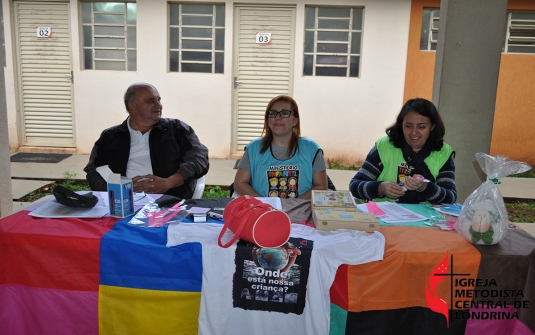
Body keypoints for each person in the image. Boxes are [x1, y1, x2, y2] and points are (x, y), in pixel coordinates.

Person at [84, 82, 209, 199]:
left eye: (159, 100)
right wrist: (118, 189)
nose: (158, 105)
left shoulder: (177, 130)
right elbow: (94, 171)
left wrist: (168, 183)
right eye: (151, 101)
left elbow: (199, 159)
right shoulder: (110, 136)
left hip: (169, 202)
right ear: (132, 106)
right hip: (123, 202)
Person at [349, 98, 456, 204]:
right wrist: (381, 188)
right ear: (401, 125)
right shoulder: (384, 147)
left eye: (421, 127)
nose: (414, 132)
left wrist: (424, 187)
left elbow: (450, 197)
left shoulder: (443, 152)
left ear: (432, 127)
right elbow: (354, 186)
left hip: (429, 219)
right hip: (383, 217)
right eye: (408, 126)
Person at [233, 95, 328, 199]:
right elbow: (239, 183)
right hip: (263, 210)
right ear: (267, 120)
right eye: (272, 113)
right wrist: (265, 203)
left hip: (302, 211)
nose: (278, 117)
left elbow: (321, 186)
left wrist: (294, 204)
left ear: (295, 121)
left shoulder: (312, 149)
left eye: (285, 113)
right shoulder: (253, 148)